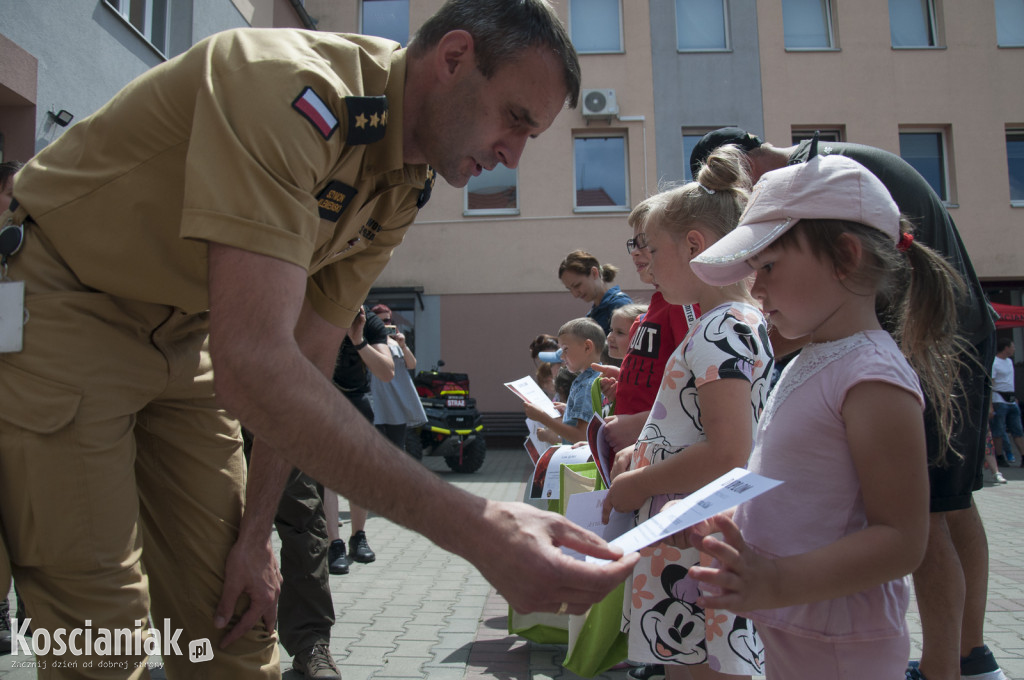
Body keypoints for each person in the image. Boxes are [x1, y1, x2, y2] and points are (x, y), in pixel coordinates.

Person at [0, 2, 639, 676]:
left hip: (188, 335)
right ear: (453, 59)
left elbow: (302, 363)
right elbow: (254, 368)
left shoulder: (404, 180)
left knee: (237, 616)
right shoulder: (286, 88)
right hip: (68, 301)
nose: (513, 153)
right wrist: (478, 528)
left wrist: (256, 538)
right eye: (514, 119)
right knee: (103, 633)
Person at [690, 127, 1003, 680]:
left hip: (841, 644)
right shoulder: (815, 358)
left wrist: (778, 580)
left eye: (767, 267)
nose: (755, 290)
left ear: (845, 257)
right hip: (799, 626)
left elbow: (902, 540)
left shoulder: (872, 377)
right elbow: (793, 477)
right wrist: (726, 517)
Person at [602, 148, 774, 679]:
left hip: (696, 548)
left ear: (695, 245)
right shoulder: (729, 324)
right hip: (692, 542)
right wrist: (644, 447)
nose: (645, 263)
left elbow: (727, 452)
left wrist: (636, 485)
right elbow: (701, 426)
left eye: (652, 250)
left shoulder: (723, 329)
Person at [241, 429, 341, 679]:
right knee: (221, 520)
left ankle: (311, 642)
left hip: (279, 408)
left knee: (304, 518)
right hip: (211, 404)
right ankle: (233, 639)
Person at [324, 306, 394, 577]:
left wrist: (358, 340)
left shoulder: (370, 323)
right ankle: (334, 543)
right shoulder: (318, 312)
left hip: (356, 399)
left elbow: (387, 371)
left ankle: (358, 536)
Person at [524, 317, 605, 444]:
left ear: (587, 347)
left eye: (565, 349)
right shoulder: (595, 377)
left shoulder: (586, 385)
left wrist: (543, 418)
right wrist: (569, 410)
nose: (561, 356)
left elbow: (582, 437)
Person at [368, 303, 427, 451]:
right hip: (375, 401)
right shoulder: (366, 342)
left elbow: (412, 364)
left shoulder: (396, 344)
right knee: (376, 448)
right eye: (379, 321)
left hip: (395, 401)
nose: (384, 324)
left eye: (387, 321)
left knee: (397, 448)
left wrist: (403, 346)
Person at [558, 250, 633, 334]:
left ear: (594, 273)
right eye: (570, 289)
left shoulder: (620, 305)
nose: (575, 294)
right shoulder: (592, 315)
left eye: (577, 285)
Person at [991, 338, 1023, 466]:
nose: (1014, 349)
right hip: (999, 399)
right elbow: (991, 383)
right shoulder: (994, 362)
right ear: (1006, 348)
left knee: (1018, 430)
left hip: (1011, 400)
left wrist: (1013, 396)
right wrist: (991, 405)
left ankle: (1022, 456)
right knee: (998, 430)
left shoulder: (1009, 362)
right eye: (1012, 346)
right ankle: (1000, 456)